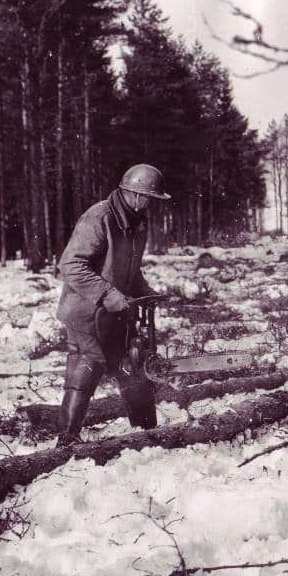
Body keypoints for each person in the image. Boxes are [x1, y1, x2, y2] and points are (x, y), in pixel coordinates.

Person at [55, 163, 170, 446]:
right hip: (85, 312)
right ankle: (67, 441)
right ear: (135, 195)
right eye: (150, 199)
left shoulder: (136, 222)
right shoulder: (99, 217)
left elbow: (129, 268)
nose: (152, 205)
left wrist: (144, 291)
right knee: (88, 363)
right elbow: (70, 265)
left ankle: (146, 434)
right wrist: (108, 294)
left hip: (114, 313)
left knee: (133, 364)